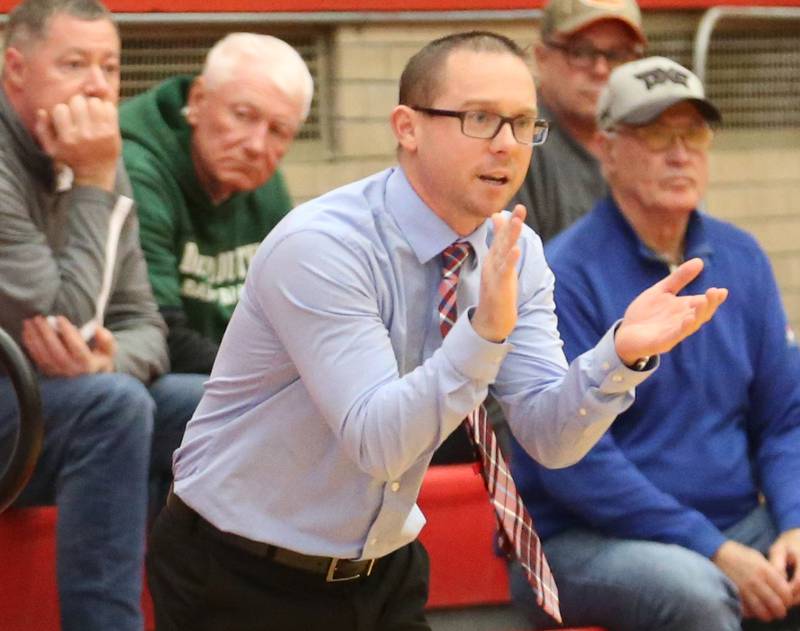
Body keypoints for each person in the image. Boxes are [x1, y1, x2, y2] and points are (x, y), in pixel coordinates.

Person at [146, 32, 727, 631]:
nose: (506, 144)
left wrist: (619, 357)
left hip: (383, 567)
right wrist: (483, 336)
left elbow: (549, 439)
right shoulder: (323, 246)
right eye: (480, 119)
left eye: (522, 123)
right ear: (408, 127)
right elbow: (378, 444)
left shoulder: (514, 249)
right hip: (241, 567)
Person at [509, 56, 800, 631]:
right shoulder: (560, 274)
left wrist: (793, 522)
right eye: (656, 134)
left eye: (694, 133)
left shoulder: (742, 256)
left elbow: (784, 419)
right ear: (607, 149)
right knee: (699, 594)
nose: (680, 153)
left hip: (735, 526)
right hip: (584, 540)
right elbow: (574, 463)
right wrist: (711, 548)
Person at [0, 1, 203, 629]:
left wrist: (110, 359)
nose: (96, 86)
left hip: (58, 402)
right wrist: (91, 180)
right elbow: (62, 320)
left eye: (110, 68)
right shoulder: (88, 161)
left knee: (212, 406)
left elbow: (143, 320)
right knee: (111, 407)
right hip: (12, 396)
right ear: (15, 70)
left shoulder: (97, 155)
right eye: (74, 65)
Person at [119, 33, 313, 374]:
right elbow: (161, 332)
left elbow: (298, 316)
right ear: (197, 100)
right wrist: (276, 381)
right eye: (243, 115)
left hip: (228, 368)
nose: (256, 145)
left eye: (278, 131)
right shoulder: (138, 169)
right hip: (154, 369)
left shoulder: (260, 182)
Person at [511, 0, 645, 242]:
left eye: (618, 55)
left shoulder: (649, 141)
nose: (601, 69)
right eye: (581, 52)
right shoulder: (517, 143)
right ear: (541, 57)